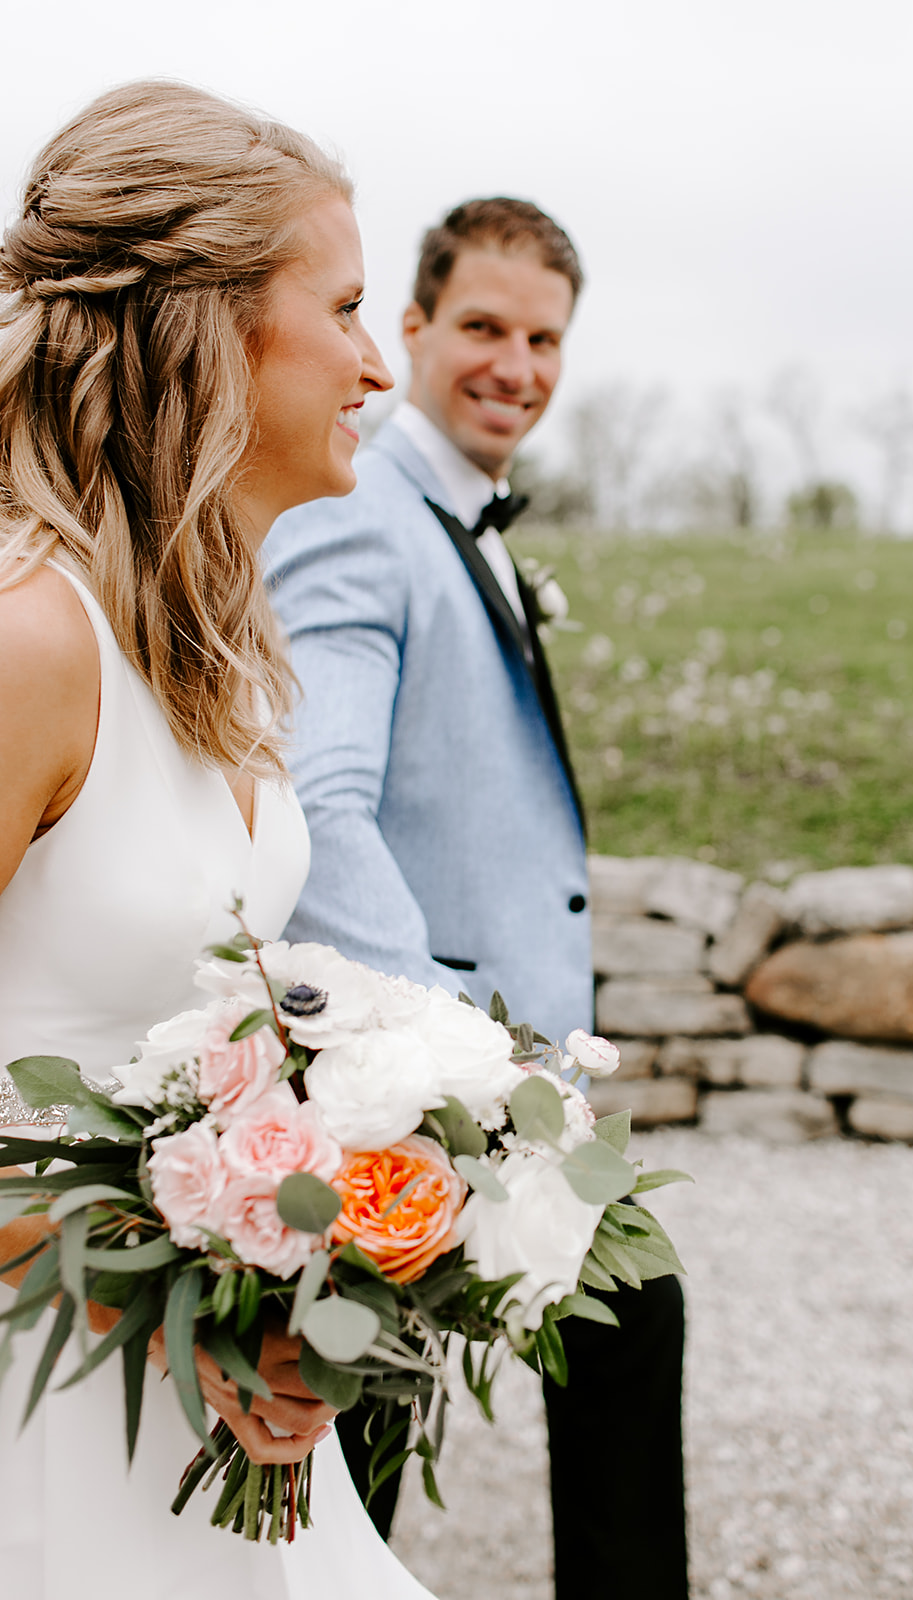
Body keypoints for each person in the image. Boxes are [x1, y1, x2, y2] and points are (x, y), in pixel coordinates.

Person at [0, 80, 440, 1600]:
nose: (381, 364)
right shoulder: (29, 650)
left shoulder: (224, 651)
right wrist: (155, 1307)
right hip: (47, 1413)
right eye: (346, 307)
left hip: (217, 1415)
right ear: (207, 332)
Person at [265, 198, 689, 1600]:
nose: (517, 366)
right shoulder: (363, 520)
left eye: (545, 338)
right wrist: (452, 1057)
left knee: (601, 1321)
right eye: (485, 329)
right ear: (413, 331)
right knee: (363, 1401)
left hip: (509, 1053)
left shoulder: (464, 517)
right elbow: (324, 803)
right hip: (432, 1061)